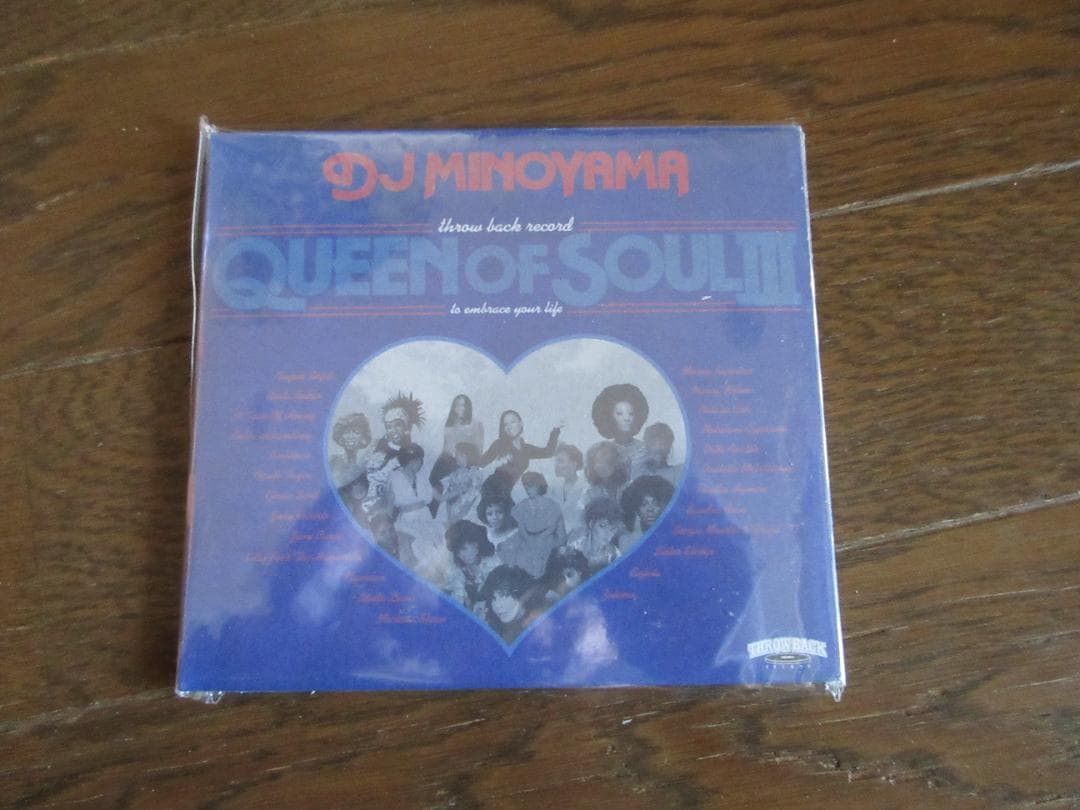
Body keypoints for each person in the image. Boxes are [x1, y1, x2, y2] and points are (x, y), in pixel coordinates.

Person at [388, 443, 451, 585]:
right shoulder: (394, 477)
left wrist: (459, 490)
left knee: (438, 544)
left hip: (425, 517)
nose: (421, 463)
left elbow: (439, 497)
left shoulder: (422, 476)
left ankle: (441, 580)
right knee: (419, 547)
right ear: (410, 461)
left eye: (421, 460)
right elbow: (389, 504)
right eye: (419, 461)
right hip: (407, 520)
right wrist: (388, 524)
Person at [479, 410, 561, 498]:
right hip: (492, 490)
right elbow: (480, 464)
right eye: (505, 424)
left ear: (520, 423)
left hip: (508, 493)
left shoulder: (526, 449)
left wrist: (556, 430)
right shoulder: (499, 444)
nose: (509, 427)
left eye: (512, 422)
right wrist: (496, 464)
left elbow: (548, 452)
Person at [507, 472, 566, 578]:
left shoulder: (554, 507)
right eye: (525, 485)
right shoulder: (520, 508)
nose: (527, 489)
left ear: (539, 485)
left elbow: (562, 539)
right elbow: (520, 536)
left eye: (530, 485)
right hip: (526, 556)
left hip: (549, 555)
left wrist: (547, 546)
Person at [590, 383, 649, 480]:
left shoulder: (645, 450)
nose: (627, 418)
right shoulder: (603, 452)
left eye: (631, 414)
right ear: (609, 417)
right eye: (619, 414)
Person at [476, 564, 542, 643]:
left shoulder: (539, 620)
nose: (497, 605)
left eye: (503, 597)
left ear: (520, 594)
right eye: (493, 600)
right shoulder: (499, 633)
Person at [442, 519, 498, 609]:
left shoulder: (494, 564)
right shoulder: (458, 572)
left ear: (476, 543)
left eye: (464, 549)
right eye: (457, 552)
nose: (461, 555)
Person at [566, 496, 625, 573]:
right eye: (602, 526)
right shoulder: (573, 549)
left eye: (612, 529)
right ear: (591, 524)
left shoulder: (616, 556)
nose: (607, 533)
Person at [619, 475, 675, 552]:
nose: (650, 509)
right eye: (644, 504)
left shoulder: (672, 538)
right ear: (636, 509)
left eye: (656, 504)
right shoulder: (626, 542)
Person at [436, 442, 485, 525]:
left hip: (467, 512)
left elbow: (471, 500)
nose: (455, 457)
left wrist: (457, 518)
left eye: (457, 454)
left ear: (465, 456)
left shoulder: (475, 474)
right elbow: (448, 489)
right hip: (453, 509)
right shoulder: (457, 471)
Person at [550, 443, 588, 533]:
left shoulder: (586, 488)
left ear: (574, 464)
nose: (556, 465)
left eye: (560, 461)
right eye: (556, 461)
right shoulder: (552, 487)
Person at [329, 412, 372, 487]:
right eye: (346, 432)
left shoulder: (366, 464)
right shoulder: (333, 462)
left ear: (363, 437)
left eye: (356, 432)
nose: (351, 437)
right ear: (340, 436)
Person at [582, 440, 629, 507]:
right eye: (595, 461)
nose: (598, 466)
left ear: (616, 462)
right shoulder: (589, 493)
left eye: (605, 460)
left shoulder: (628, 487)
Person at [640, 422, 682, 487]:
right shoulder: (636, 470)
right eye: (653, 444)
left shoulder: (678, 473)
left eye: (663, 444)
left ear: (669, 447)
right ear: (646, 446)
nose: (658, 448)